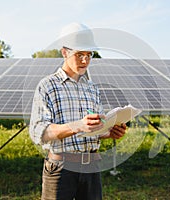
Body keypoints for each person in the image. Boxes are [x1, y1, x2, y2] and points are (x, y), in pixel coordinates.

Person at [29, 22, 127, 200]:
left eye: (89, 55)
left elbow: (93, 130)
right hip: (60, 168)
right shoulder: (48, 86)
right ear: (64, 52)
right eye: (79, 54)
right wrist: (78, 126)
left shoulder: (91, 88)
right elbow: (38, 132)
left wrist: (108, 132)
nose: (85, 60)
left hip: (91, 168)